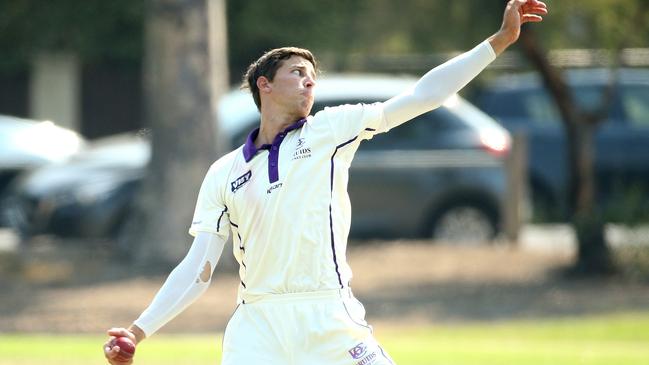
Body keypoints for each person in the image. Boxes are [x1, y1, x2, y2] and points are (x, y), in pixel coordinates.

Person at [104, 1, 547, 364]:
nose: (309, 80)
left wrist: (498, 42)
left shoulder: (330, 130)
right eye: (297, 72)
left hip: (327, 314)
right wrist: (138, 331)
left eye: (312, 75)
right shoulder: (224, 172)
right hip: (258, 326)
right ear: (265, 86)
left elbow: (421, 97)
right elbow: (197, 270)